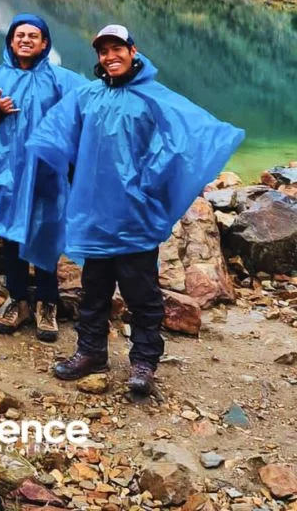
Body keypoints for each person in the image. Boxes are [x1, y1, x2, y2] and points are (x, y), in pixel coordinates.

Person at [24, 24, 244, 394]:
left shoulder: (153, 97)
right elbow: (57, 133)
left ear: (133, 50)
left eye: (116, 49)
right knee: (93, 289)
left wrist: (150, 183)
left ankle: (143, 362)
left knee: (141, 293)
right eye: (103, 52)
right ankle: (91, 351)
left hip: (135, 216)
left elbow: (184, 140)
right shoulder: (88, 96)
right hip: (96, 215)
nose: (110, 57)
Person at [0, 14, 85, 343]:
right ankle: (17, 298)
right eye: (19, 35)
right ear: (10, 42)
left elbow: (86, 115)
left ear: (45, 43)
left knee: (46, 233)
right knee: (12, 236)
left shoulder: (61, 81)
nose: (25, 40)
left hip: (47, 173)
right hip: (8, 176)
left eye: (33, 35)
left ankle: (47, 303)